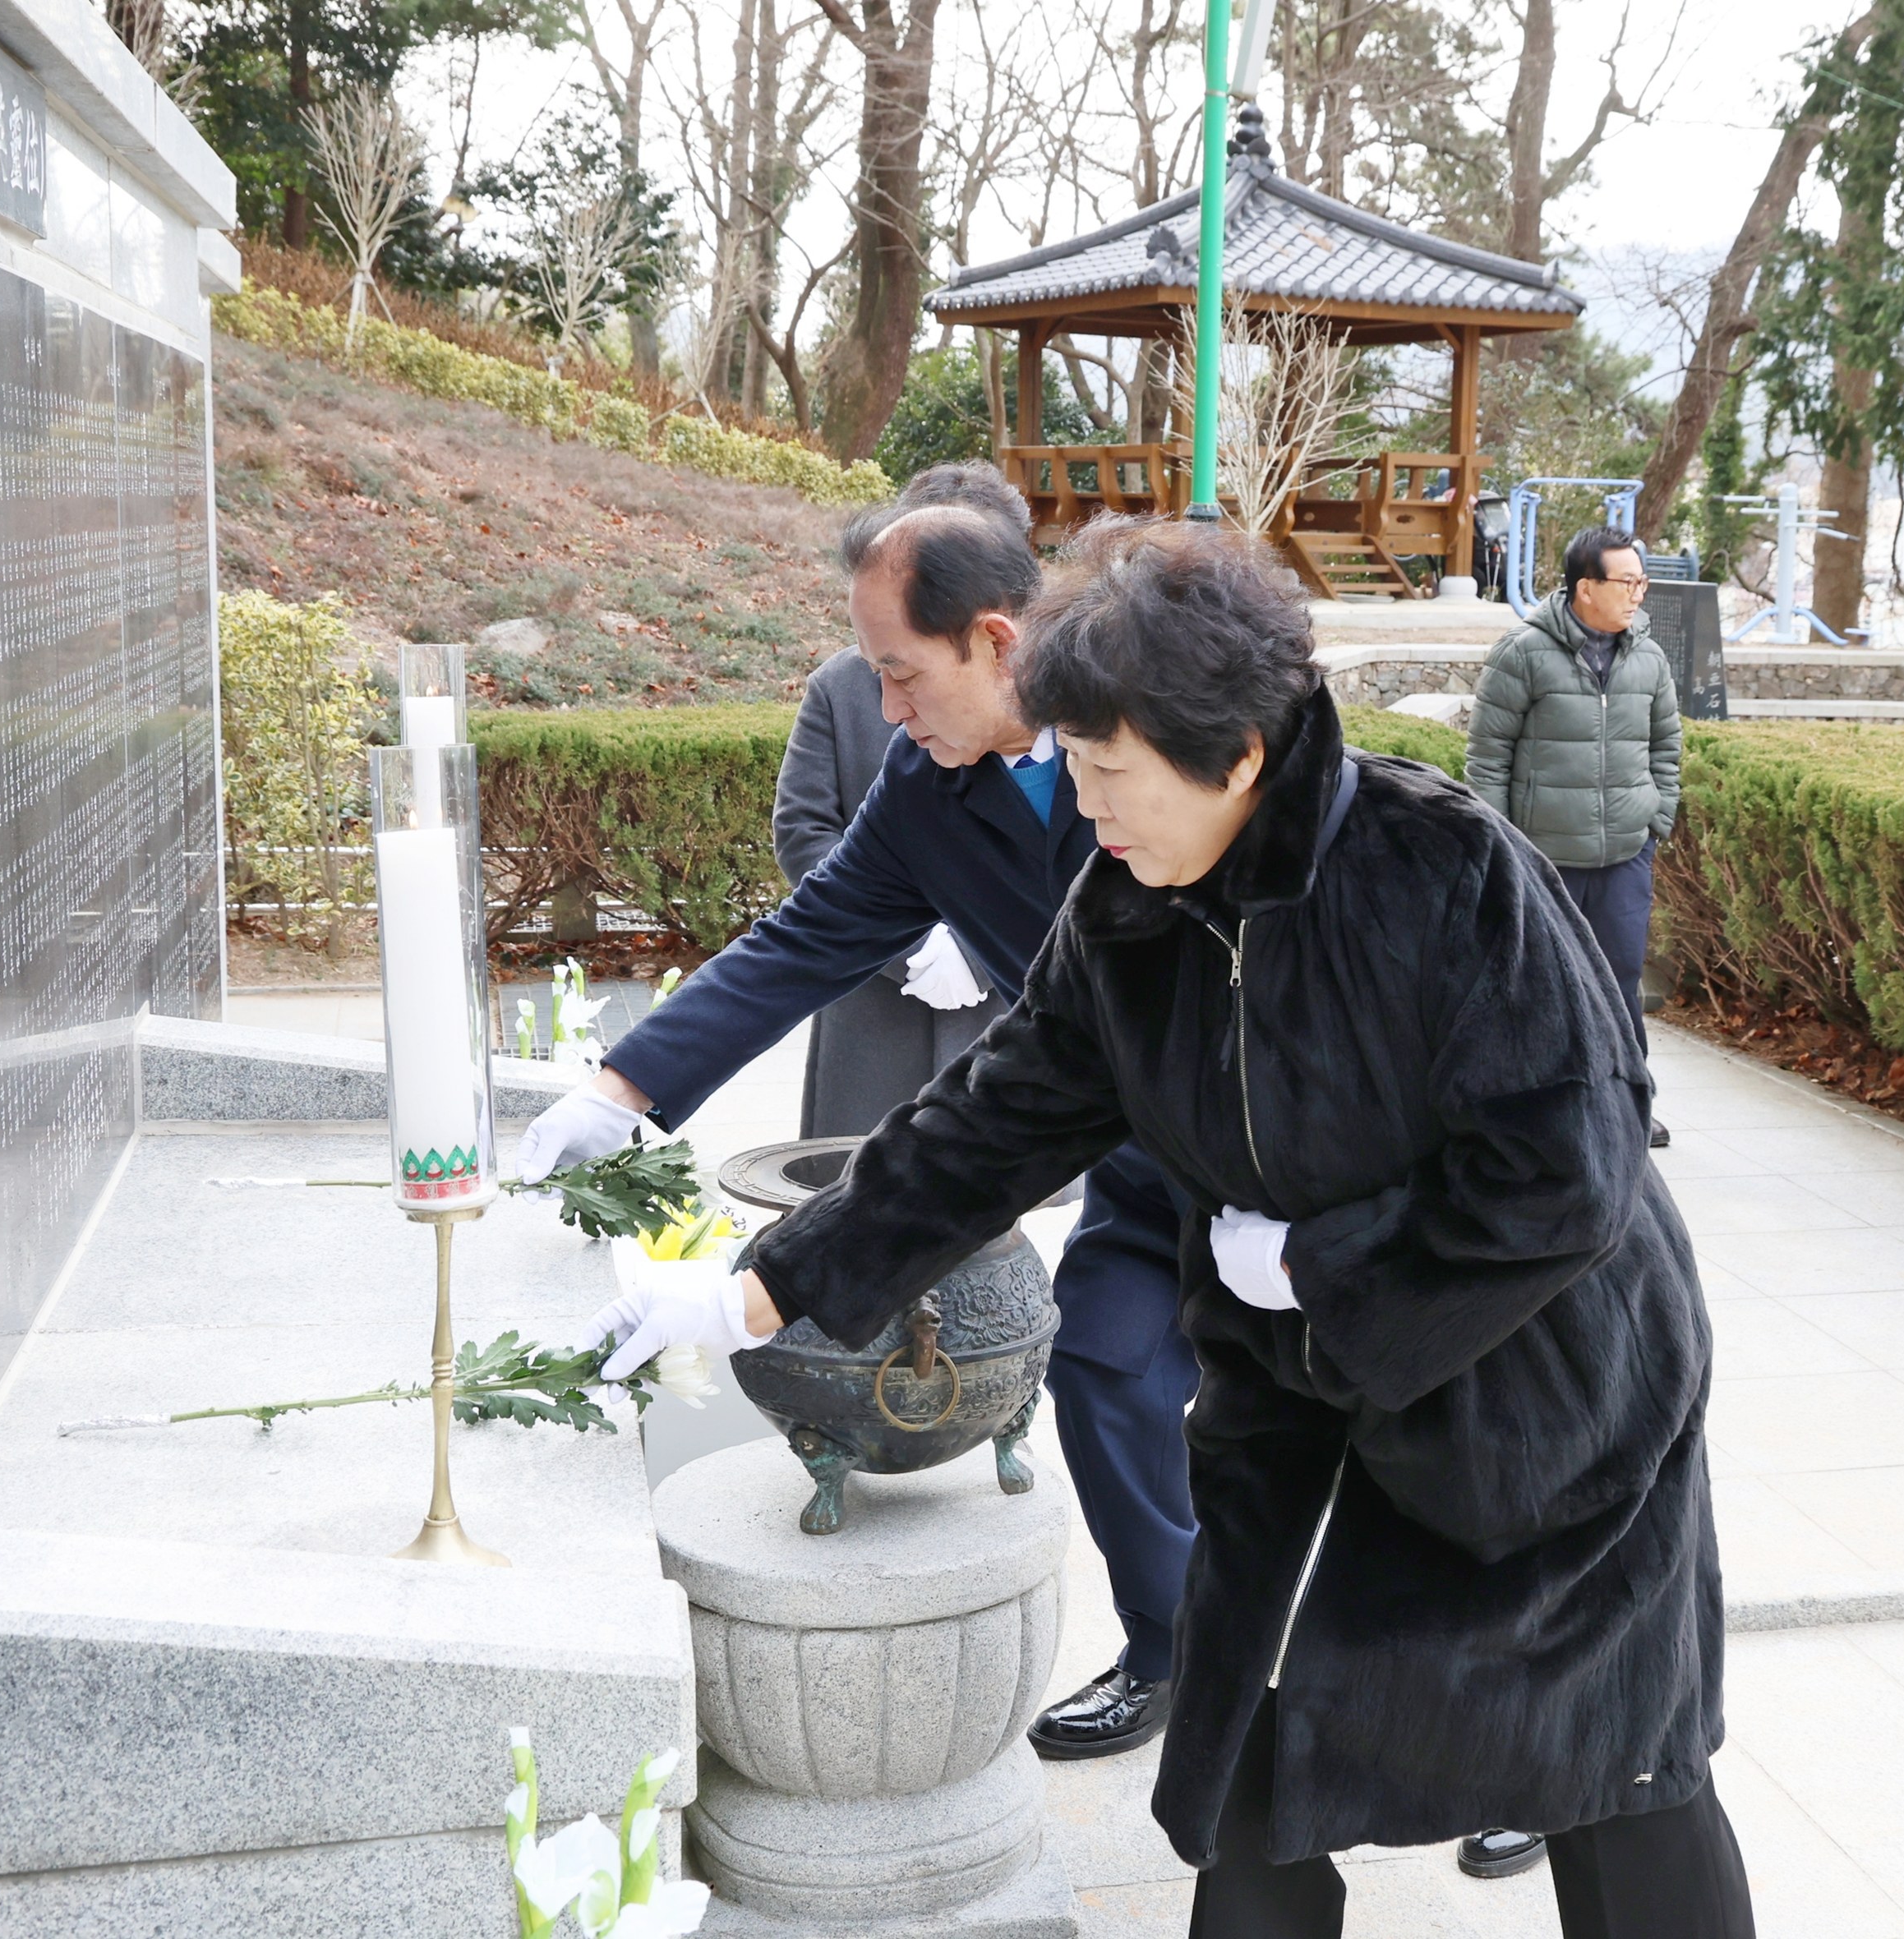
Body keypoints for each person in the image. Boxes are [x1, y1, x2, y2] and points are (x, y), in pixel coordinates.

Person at [586, 518, 1750, 1939]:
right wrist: (755, 1293)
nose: (1092, 810)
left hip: (1545, 1391)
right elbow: (986, 1128)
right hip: (1302, 1397)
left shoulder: (1440, 871)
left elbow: (1570, 1168)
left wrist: (1316, 1264)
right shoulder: (1127, 910)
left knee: (1609, 1769)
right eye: (1072, 769)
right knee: (1251, 1762)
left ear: (1238, 754)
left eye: (1108, 773)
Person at [517, 502, 1196, 1761]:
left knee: (1370, 1424)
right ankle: (1176, 1651)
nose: (886, 709)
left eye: (899, 671)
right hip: (1137, 1155)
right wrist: (621, 1089)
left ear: (998, 642)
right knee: (1105, 1366)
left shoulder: (1166, 731)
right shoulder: (928, 780)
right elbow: (810, 932)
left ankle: (1494, 1704)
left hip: (1297, 1145)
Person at [772, 464, 1021, 1136]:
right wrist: (910, 947)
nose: (893, 704)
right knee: (859, 1180)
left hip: (997, 1000)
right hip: (874, 999)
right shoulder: (839, 685)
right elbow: (804, 832)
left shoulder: (1077, 721)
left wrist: (971, 944)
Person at [1465, 523, 1680, 1158]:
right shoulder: (1523, 652)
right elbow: (1487, 759)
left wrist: (1652, 823)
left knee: (1619, 983)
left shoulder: (1648, 658)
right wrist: (1506, 849)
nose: (1637, 593)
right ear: (1585, 588)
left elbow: (1666, 747)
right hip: (1542, 859)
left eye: (1642, 581)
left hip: (1622, 858)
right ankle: (1532, 1110)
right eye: (1627, 581)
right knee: (1534, 983)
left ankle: (1628, 1105)